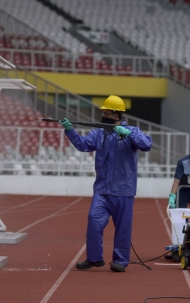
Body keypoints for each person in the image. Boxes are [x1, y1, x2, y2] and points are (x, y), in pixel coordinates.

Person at [59, 95, 152, 272]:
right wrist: (70, 131)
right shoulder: (98, 132)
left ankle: (121, 261)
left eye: (106, 112)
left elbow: (146, 144)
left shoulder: (132, 130)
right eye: (102, 112)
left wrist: (129, 134)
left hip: (124, 190)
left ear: (116, 114)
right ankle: (94, 258)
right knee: (94, 220)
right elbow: (83, 145)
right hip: (102, 189)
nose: (103, 115)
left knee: (123, 229)